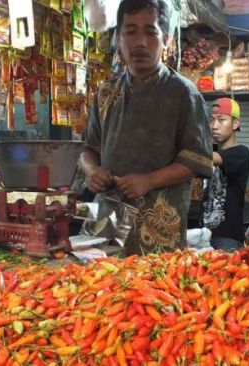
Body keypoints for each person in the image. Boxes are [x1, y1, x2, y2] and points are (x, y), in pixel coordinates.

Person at [79, 0, 213, 255]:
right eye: (130, 31)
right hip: (109, 220)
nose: (140, 42)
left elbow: (197, 160)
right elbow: (88, 148)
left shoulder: (183, 94)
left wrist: (149, 180)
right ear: (118, 38)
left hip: (158, 227)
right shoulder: (106, 92)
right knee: (102, 287)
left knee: (153, 290)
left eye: (150, 32)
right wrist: (93, 171)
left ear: (167, 39)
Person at [202, 98, 249, 252]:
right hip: (204, 234)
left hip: (227, 238)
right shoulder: (210, 151)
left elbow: (208, 158)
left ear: (235, 124)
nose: (214, 126)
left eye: (221, 120)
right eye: (212, 120)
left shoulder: (241, 153)